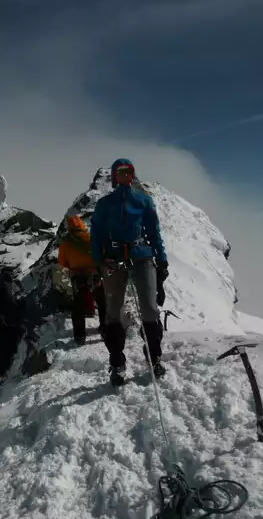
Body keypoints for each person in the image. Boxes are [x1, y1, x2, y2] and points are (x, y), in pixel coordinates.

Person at [90, 158, 169, 384]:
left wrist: (161, 258)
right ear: (115, 176)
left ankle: (154, 358)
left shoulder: (143, 201)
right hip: (114, 259)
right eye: (120, 172)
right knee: (113, 312)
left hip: (141, 255)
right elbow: (96, 234)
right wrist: (98, 260)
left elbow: (154, 231)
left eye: (128, 172)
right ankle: (117, 363)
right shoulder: (104, 204)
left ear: (132, 175)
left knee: (150, 309)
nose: (124, 176)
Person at [58, 215, 106, 345]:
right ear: (81, 224)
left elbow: (62, 262)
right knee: (102, 302)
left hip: (78, 276)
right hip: (95, 275)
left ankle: (80, 336)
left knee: (78, 306)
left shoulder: (65, 241)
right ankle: (105, 330)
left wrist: (72, 264)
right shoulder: (91, 237)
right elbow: (101, 253)